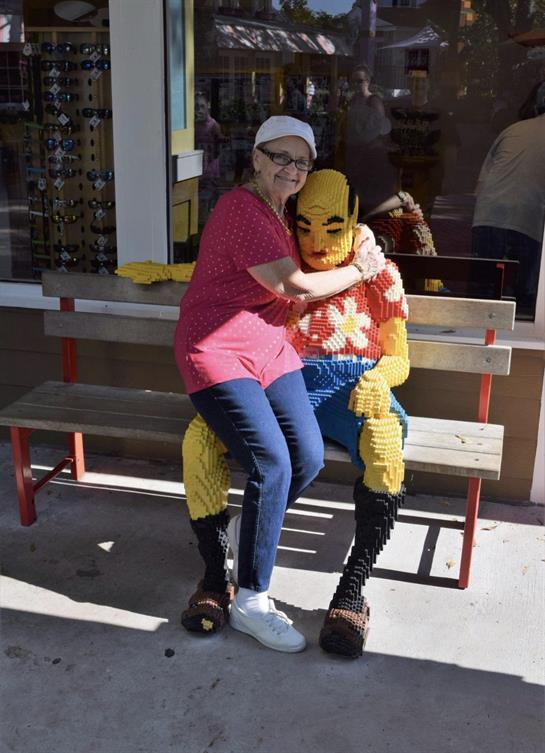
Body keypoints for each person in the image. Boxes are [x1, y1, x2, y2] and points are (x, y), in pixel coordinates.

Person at [181, 169, 410, 658]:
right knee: (199, 439)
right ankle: (216, 575)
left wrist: (379, 379)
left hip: (351, 389)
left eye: (333, 226)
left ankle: (351, 590)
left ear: (353, 220)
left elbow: (400, 356)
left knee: (384, 444)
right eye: (305, 226)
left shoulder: (378, 271)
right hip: (278, 377)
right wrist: (163, 269)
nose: (318, 240)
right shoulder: (281, 255)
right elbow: (222, 268)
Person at [472, 81, 545, 318]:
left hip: (488, 216)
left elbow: (481, 185)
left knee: (482, 296)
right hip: (527, 219)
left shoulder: (513, 130)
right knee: (523, 304)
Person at [194, 92, 227, 219]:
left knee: (209, 192)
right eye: (196, 107)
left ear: (208, 106)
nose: (199, 110)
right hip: (197, 165)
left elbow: (220, 144)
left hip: (210, 165)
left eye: (202, 106)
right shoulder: (194, 125)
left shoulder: (213, 125)